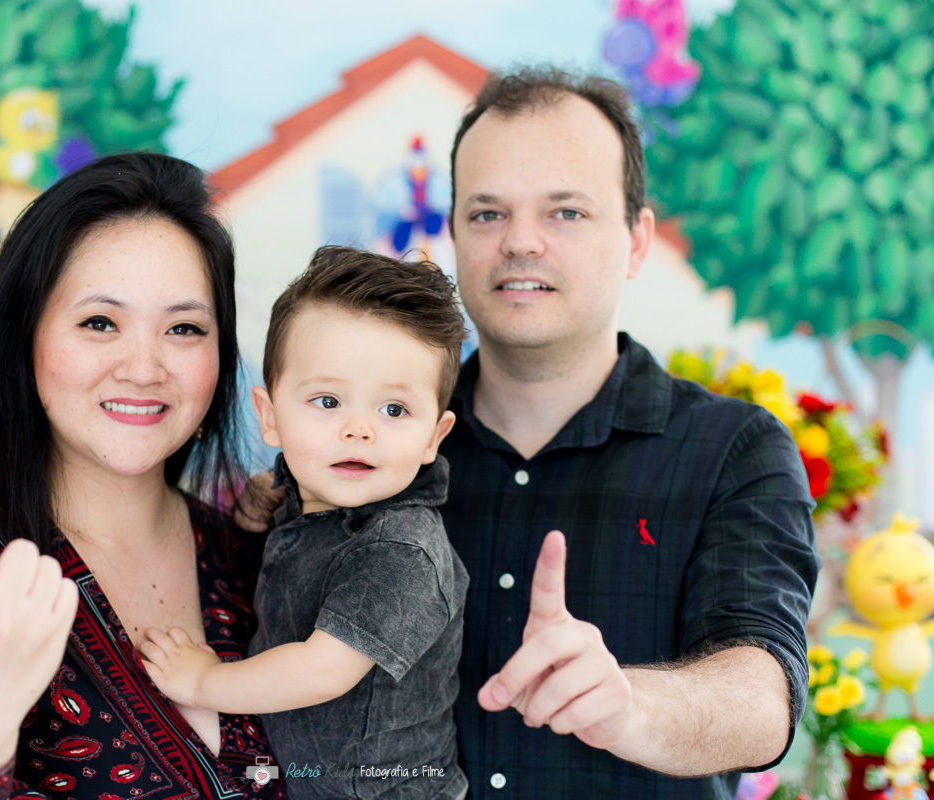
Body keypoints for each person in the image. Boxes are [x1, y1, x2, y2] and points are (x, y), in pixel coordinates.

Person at [236, 66, 818, 799]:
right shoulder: (371, 447)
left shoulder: (735, 449)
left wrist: (630, 706)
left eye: (565, 212)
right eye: (487, 214)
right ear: (451, 234)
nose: (521, 242)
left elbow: (763, 701)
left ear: (638, 240)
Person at [0, 152, 285, 799]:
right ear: (25, 338)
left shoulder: (259, 562)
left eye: (184, 328)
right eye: (100, 322)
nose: (144, 368)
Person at [139, 247, 470, 800]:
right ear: (270, 418)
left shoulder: (402, 550)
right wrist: (262, 507)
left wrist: (203, 682)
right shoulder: (309, 499)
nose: (359, 429)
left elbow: (322, 670)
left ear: (434, 438)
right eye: (327, 400)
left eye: (394, 410)